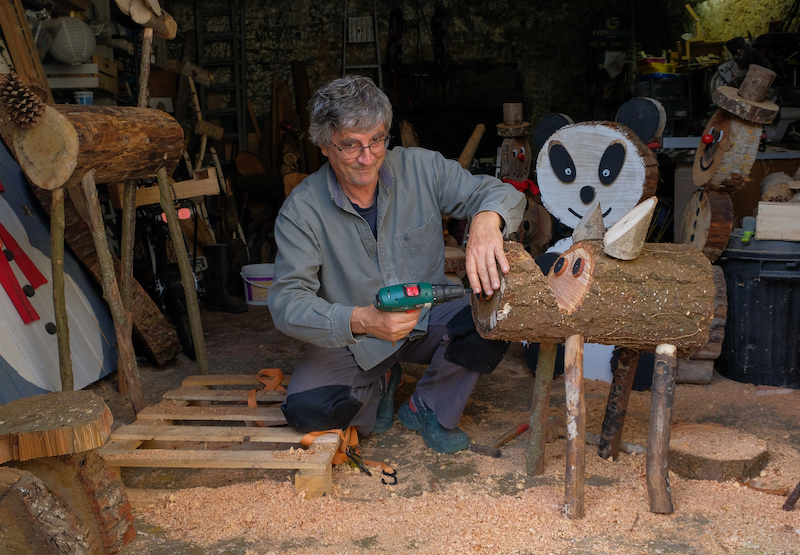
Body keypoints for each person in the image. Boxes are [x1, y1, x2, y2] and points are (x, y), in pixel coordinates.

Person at [267, 75, 525, 453]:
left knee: (496, 313)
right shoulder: (301, 212)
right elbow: (287, 302)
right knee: (309, 411)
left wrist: (487, 220)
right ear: (324, 144)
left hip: (425, 319)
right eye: (351, 145)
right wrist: (361, 319)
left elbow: (499, 193)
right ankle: (382, 380)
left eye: (376, 140)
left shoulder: (424, 169)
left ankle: (427, 408)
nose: (368, 157)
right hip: (356, 339)